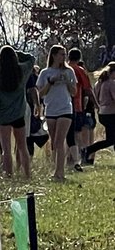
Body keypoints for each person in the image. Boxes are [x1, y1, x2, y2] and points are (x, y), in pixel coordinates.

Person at [0, 45, 35, 178]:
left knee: (6, 150)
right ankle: (27, 174)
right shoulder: (22, 71)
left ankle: (9, 176)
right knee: (22, 147)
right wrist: (16, 52)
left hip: (3, 117)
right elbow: (31, 58)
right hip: (19, 114)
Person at [37, 45, 77, 182]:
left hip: (65, 109)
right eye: (61, 54)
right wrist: (50, 82)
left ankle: (59, 172)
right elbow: (40, 93)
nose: (63, 57)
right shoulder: (45, 72)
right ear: (53, 55)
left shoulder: (69, 71)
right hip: (50, 109)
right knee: (54, 142)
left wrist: (66, 81)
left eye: (64, 54)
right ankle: (57, 169)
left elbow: (74, 92)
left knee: (60, 141)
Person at [66, 47, 95, 170]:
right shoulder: (79, 70)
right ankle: (79, 158)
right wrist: (96, 104)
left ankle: (67, 159)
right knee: (77, 134)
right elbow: (87, 89)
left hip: (61, 106)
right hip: (76, 106)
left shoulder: (63, 69)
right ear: (79, 58)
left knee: (65, 135)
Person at [86, 62, 115, 160]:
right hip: (111, 113)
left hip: (102, 113)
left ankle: (88, 152)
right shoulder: (111, 83)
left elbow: (95, 98)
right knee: (111, 140)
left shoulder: (99, 83)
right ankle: (88, 149)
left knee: (111, 137)